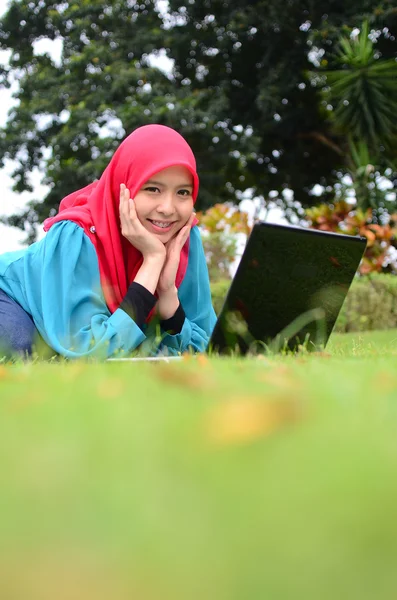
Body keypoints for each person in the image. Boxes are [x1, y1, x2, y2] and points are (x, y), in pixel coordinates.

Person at [0, 124, 217, 359]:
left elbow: (210, 348)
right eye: (153, 189)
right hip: (13, 296)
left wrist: (168, 296)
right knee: (21, 350)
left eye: (183, 192)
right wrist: (153, 260)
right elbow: (89, 350)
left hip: (62, 319)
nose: (167, 208)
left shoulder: (183, 237)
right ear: (124, 188)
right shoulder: (77, 233)